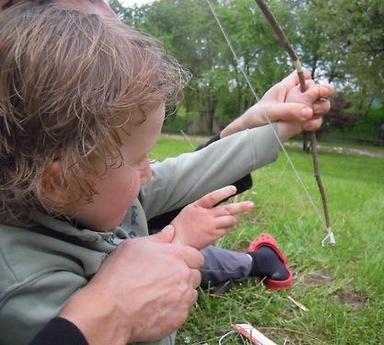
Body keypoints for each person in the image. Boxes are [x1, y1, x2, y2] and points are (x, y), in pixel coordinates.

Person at [0, 1, 334, 345]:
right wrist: (177, 245)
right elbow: (150, 323)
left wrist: (273, 127)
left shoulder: (83, 187)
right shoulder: (28, 289)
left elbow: (181, 176)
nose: (149, 172)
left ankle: (256, 262)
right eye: (140, 159)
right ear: (59, 180)